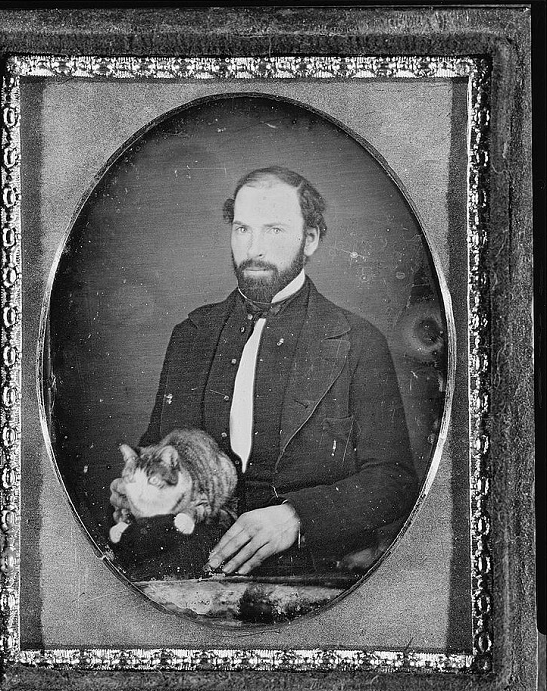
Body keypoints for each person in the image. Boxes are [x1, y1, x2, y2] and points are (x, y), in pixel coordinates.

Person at [110, 166, 417, 578]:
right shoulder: (191, 334)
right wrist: (130, 493)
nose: (254, 248)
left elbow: (394, 481)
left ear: (311, 239)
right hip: (189, 568)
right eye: (242, 229)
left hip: (315, 571)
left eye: (274, 230)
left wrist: (296, 517)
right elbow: (158, 450)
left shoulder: (359, 341)